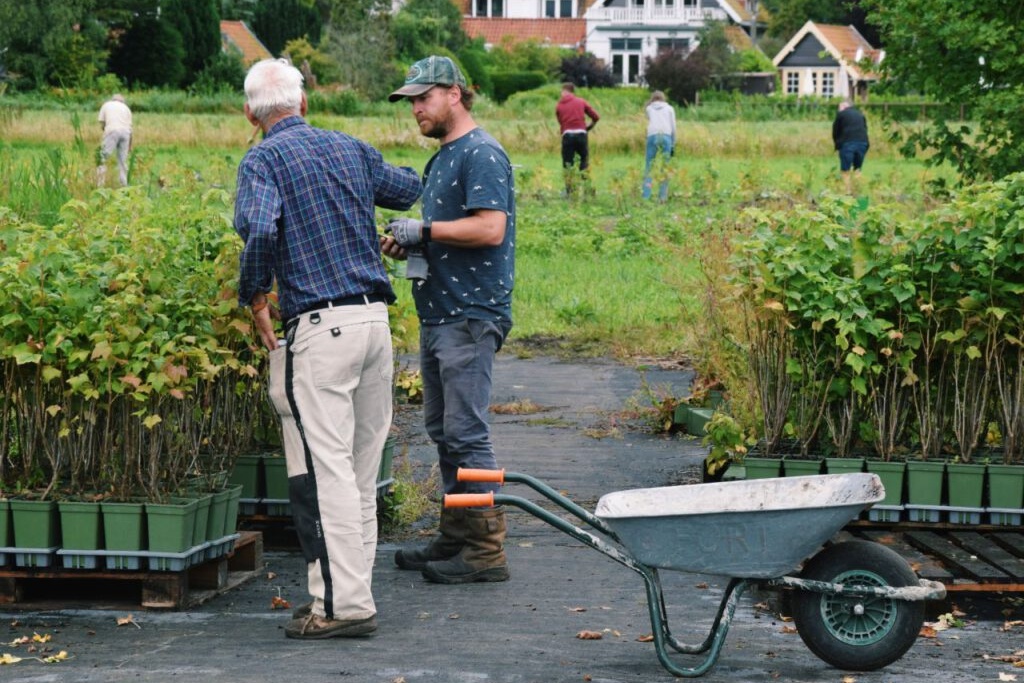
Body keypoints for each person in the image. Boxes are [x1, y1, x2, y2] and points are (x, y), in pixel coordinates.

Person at [234, 58, 422, 639]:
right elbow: (408, 188)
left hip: (321, 330)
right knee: (359, 472)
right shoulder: (350, 148)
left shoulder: (263, 161)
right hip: (374, 324)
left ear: (250, 116)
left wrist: (255, 295)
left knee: (325, 473)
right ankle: (342, 594)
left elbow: (260, 228)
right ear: (304, 102)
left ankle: (345, 607)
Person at [383, 55, 516, 585]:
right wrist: (411, 243)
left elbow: (489, 229)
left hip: (470, 312)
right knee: (443, 431)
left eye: (424, 97)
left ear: (454, 94)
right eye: (411, 101)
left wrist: (425, 231)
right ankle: (457, 533)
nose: (415, 108)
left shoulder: (481, 153)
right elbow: (445, 231)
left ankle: (485, 549)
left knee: (467, 432)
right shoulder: (443, 158)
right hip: (440, 311)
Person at [554, 82, 599, 197]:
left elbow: (561, 122)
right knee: (584, 162)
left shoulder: (559, 105)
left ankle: (570, 192)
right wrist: (588, 127)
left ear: (564, 91)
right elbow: (596, 116)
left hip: (567, 135)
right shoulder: (581, 101)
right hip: (581, 134)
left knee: (568, 163)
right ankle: (588, 189)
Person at [642, 90, 676, 202]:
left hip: (652, 135)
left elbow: (650, 119)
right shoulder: (670, 108)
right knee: (665, 166)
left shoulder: (649, 108)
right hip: (666, 135)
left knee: (649, 166)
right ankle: (662, 196)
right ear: (663, 98)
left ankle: (646, 195)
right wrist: (673, 143)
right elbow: (673, 127)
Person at [832, 99, 869, 194]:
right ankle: (857, 190)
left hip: (847, 144)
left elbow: (836, 131)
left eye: (839, 107)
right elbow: (865, 129)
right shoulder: (860, 114)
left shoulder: (841, 115)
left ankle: (847, 191)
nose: (838, 109)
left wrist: (837, 145)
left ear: (844, 106)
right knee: (857, 169)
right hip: (863, 143)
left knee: (845, 169)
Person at [96, 93, 132, 187]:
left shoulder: (106, 105)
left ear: (113, 99)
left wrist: (108, 136)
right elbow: (130, 129)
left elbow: (103, 124)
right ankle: (124, 185)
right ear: (122, 101)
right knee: (122, 160)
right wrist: (129, 146)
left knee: (102, 157)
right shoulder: (126, 108)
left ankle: (100, 184)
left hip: (112, 130)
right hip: (126, 133)